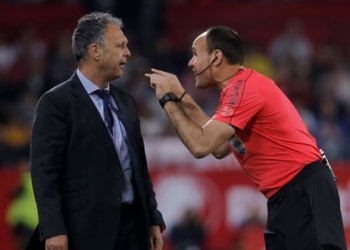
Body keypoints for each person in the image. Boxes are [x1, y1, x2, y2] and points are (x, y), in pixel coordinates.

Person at [145, 26, 346, 250]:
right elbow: (220, 148)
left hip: (302, 191)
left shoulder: (243, 90)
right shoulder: (239, 89)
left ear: (216, 57)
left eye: (196, 53)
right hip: (286, 196)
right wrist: (182, 97)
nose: (191, 63)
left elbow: (201, 145)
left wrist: (168, 101)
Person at [28, 12, 165, 250]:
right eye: (120, 45)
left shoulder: (126, 101)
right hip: (85, 231)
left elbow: (139, 169)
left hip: (133, 227)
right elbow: (44, 174)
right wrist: (53, 229)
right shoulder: (56, 103)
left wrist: (153, 217)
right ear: (95, 51)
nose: (128, 53)